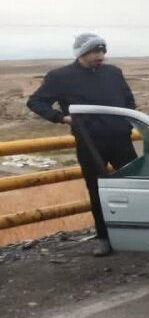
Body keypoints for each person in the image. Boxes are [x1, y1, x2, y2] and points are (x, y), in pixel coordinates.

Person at [26, 33, 136, 256]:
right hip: (90, 143)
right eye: (95, 51)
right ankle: (104, 238)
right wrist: (61, 118)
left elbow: (128, 100)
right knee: (96, 189)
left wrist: (126, 120)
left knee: (134, 184)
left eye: (103, 51)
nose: (100, 56)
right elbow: (35, 101)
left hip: (121, 139)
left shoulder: (113, 72)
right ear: (81, 53)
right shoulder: (60, 77)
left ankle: (137, 232)